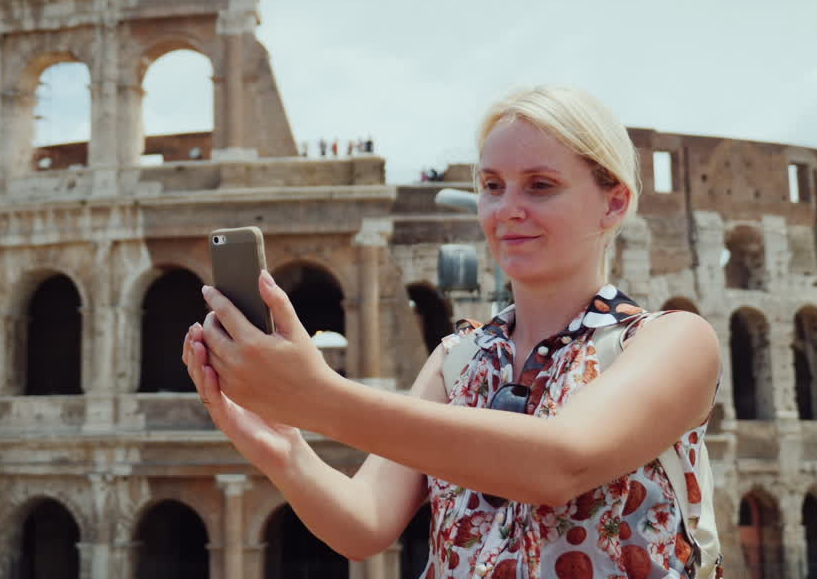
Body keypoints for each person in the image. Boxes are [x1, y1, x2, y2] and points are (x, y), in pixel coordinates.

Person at [182, 86, 721, 578]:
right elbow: (363, 525)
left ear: (615, 201)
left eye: (540, 186)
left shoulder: (671, 342)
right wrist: (284, 449)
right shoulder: (458, 360)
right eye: (492, 186)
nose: (508, 209)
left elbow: (559, 462)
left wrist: (316, 398)